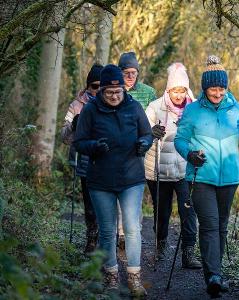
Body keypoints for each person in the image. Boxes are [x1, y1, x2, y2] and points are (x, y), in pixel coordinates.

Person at [174, 55, 239, 297]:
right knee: (210, 225)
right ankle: (213, 276)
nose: (218, 92)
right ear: (204, 87)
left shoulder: (237, 109)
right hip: (201, 176)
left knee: (221, 226)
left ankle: (215, 273)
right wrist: (190, 155)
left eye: (222, 88)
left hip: (229, 178)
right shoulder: (192, 111)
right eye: (213, 88)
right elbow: (179, 140)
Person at [73, 64, 152, 297]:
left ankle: (135, 279)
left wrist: (144, 144)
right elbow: (79, 142)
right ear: (101, 91)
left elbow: (146, 134)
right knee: (107, 231)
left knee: (132, 228)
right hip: (100, 180)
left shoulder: (134, 107)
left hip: (131, 178)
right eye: (109, 92)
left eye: (118, 92)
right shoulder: (90, 110)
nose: (115, 96)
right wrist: (94, 147)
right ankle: (111, 278)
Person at [144, 62, 201, 269]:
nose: (178, 95)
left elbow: (201, 133)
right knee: (162, 212)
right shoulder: (155, 107)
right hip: (159, 169)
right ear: (168, 89)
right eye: (175, 90)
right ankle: (160, 246)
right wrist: (152, 132)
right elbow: (143, 130)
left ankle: (188, 253)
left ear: (187, 90)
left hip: (185, 170)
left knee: (188, 211)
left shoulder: (195, 108)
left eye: (182, 90)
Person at [61, 63, 103, 253]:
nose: (98, 90)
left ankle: (107, 238)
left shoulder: (113, 102)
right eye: (94, 86)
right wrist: (74, 126)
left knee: (106, 201)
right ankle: (91, 237)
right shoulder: (76, 105)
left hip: (107, 160)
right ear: (87, 86)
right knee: (89, 202)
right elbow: (64, 136)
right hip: (85, 159)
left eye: (102, 85)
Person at [117, 51, 157, 246]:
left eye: (134, 72)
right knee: (117, 190)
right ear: (120, 72)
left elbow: (155, 118)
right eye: (127, 72)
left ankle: (134, 231)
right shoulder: (113, 90)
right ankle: (121, 232)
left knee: (135, 192)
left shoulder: (148, 92)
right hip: (117, 149)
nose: (131, 76)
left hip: (140, 150)